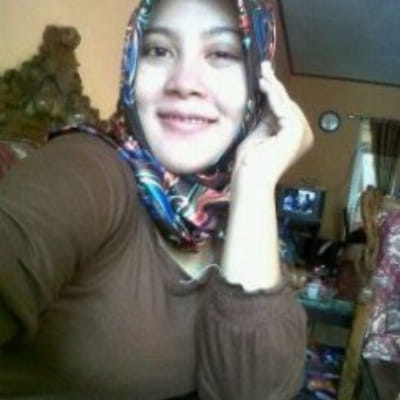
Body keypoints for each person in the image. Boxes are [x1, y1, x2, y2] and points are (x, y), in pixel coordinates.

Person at [0, 0, 313, 398]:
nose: (184, 82)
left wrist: (254, 179)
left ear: (259, 84)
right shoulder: (89, 166)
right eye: (159, 50)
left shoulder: (236, 220)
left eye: (221, 54)